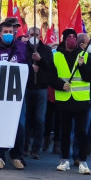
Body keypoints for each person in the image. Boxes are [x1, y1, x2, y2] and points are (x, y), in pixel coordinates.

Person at [0, 17, 29, 169]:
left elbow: (27, 66)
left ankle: (16, 156)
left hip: (17, 93)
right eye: (6, 32)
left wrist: (35, 64)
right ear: (0, 33)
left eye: (11, 32)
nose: (9, 34)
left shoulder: (21, 48)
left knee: (20, 125)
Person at [54, 30, 91, 175]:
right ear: (64, 40)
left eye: (74, 37)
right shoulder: (56, 56)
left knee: (81, 132)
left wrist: (82, 65)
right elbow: (52, 77)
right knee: (65, 131)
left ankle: (83, 161)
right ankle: (64, 160)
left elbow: (90, 77)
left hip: (81, 100)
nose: (71, 39)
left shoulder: (85, 56)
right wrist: (60, 85)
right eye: (68, 37)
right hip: (64, 99)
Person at [25, 26, 55, 160]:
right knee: (26, 119)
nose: (34, 37)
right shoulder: (23, 49)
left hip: (41, 89)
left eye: (36, 34)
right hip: (26, 87)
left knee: (40, 119)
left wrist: (40, 62)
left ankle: (36, 148)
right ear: (28, 35)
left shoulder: (46, 50)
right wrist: (30, 69)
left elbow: (51, 69)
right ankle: (24, 146)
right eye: (32, 34)